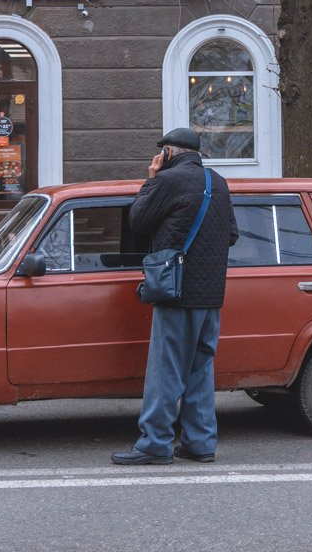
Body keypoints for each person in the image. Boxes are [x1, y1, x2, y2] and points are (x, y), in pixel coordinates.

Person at [112, 127, 238, 466]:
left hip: (176, 291)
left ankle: (155, 443)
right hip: (211, 295)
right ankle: (200, 443)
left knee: (165, 371)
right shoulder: (218, 183)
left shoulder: (167, 181)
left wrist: (151, 178)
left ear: (168, 153)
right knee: (200, 370)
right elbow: (232, 234)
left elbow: (137, 220)